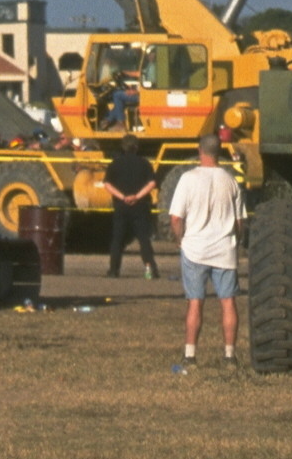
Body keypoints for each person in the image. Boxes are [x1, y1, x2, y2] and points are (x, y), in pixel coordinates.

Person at [165, 137, 246, 368]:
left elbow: (176, 218)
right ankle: (230, 355)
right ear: (219, 152)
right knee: (228, 302)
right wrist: (235, 241)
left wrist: (180, 239)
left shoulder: (188, 179)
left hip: (195, 249)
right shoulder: (231, 180)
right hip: (224, 249)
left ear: (199, 151)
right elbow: (240, 222)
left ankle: (190, 356)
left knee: (195, 302)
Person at [103, 139, 162, 279]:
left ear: (122, 147)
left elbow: (107, 184)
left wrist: (123, 197)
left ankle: (113, 270)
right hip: (140, 206)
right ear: (137, 147)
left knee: (117, 239)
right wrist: (137, 196)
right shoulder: (144, 163)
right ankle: (150, 269)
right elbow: (152, 183)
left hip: (121, 206)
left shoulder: (115, 163)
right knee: (143, 239)